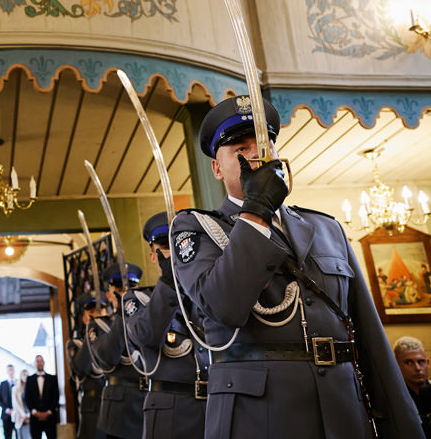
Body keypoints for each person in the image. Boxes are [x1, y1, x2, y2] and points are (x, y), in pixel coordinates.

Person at [170, 95, 424, 438]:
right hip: (259, 417)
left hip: (343, 410)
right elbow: (223, 306)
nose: (256, 157)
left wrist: (403, 425)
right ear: (217, 168)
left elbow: (368, 334)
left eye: (264, 147)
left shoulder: (326, 228)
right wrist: (256, 210)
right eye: (240, 150)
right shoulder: (195, 229)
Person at [119, 212, 208, 439]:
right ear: (152, 256)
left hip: (215, 407)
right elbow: (146, 335)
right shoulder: (137, 299)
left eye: (178, 241)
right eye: (164, 245)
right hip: (171, 412)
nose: (173, 250)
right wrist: (168, 283)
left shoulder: (206, 291)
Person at [88, 262, 146, 439]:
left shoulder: (147, 319)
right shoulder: (99, 325)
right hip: (122, 412)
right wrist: (123, 312)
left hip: (149, 402)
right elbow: (109, 356)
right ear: (109, 294)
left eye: (131, 287)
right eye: (120, 288)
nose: (126, 292)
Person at [66, 292, 106, 439]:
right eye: (92, 313)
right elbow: (81, 368)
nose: (96, 317)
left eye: (99, 312)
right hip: (93, 406)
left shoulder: (112, 340)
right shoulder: (76, 344)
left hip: (115, 406)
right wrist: (92, 332)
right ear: (85, 318)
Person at [393, 336, 431, 435]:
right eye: (409, 362)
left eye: (421, 361)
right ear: (396, 365)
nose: (418, 368)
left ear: (427, 363)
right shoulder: (394, 400)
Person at [23, 355, 58, 439]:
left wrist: (48, 412)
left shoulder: (52, 378)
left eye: (41, 361)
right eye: (37, 361)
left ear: (44, 363)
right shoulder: (30, 379)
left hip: (50, 417)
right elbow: (27, 398)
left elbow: (56, 397)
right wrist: (35, 412)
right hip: (35, 418)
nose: (39, 363)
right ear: (35, 364)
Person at [0, 364, 17, 439]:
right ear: (7, 372)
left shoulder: (18, 383)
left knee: (19, 435)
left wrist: (15, 410)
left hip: (17, 415)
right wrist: (6, 409)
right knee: (7, 436)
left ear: (14, 371)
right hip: (6, 415)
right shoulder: (2, 384)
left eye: (12, 370)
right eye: (9, 370)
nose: (11, 372)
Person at [11, 369, 31, 439]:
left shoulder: (31, 388)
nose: (25, 376)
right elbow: (15, 404)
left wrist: (28, 415)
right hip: (20, 417)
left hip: (30, 418)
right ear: (20, 376)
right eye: (23, 375)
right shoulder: (15, 389)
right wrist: (24, 415)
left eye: (27, 375)